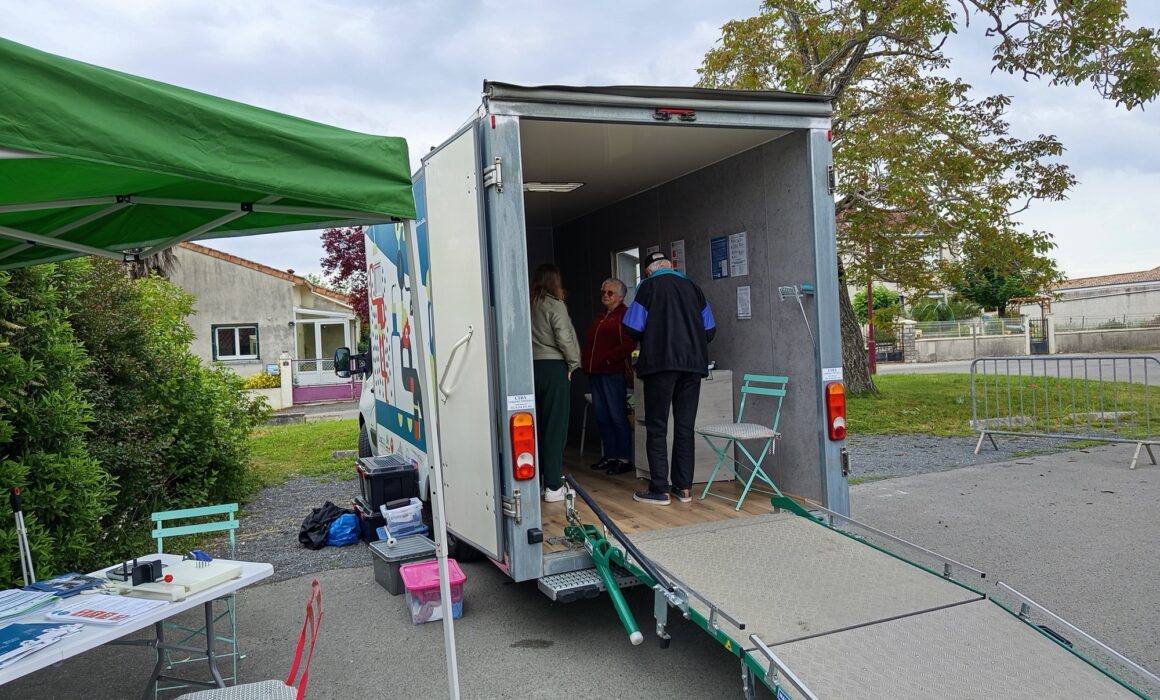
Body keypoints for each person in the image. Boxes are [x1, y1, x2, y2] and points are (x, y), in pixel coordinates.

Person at [622, 251, 716, 505]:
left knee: (657, 427)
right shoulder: (693, 287)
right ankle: (683, 488)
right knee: (685, 427)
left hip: (660, 365)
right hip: (693, 366)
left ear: (648, 271)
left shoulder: (647, 287)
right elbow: (709, 329)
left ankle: (659, 489)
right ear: (670, 266)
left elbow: (631, 326)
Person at [530, 263, 581, 503]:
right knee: (555, 428)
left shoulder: (528, 303)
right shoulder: (555, 304)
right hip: (554, 368)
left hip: (530, 368)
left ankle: (538, 483)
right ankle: (552, 485)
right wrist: (573, 364)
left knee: (536, 428)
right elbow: (564, 336)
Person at [581, 278, 637, 476]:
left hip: (613, 372)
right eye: (603, 292)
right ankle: (610, 455)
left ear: (620, 296)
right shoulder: (601, 316)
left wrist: (609, 359)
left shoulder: (625, 314)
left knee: (616, 415)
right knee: (602, 416)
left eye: (610, 293)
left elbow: (630, 343)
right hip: (595, 372)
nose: (605, 295)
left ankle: (623, 458)